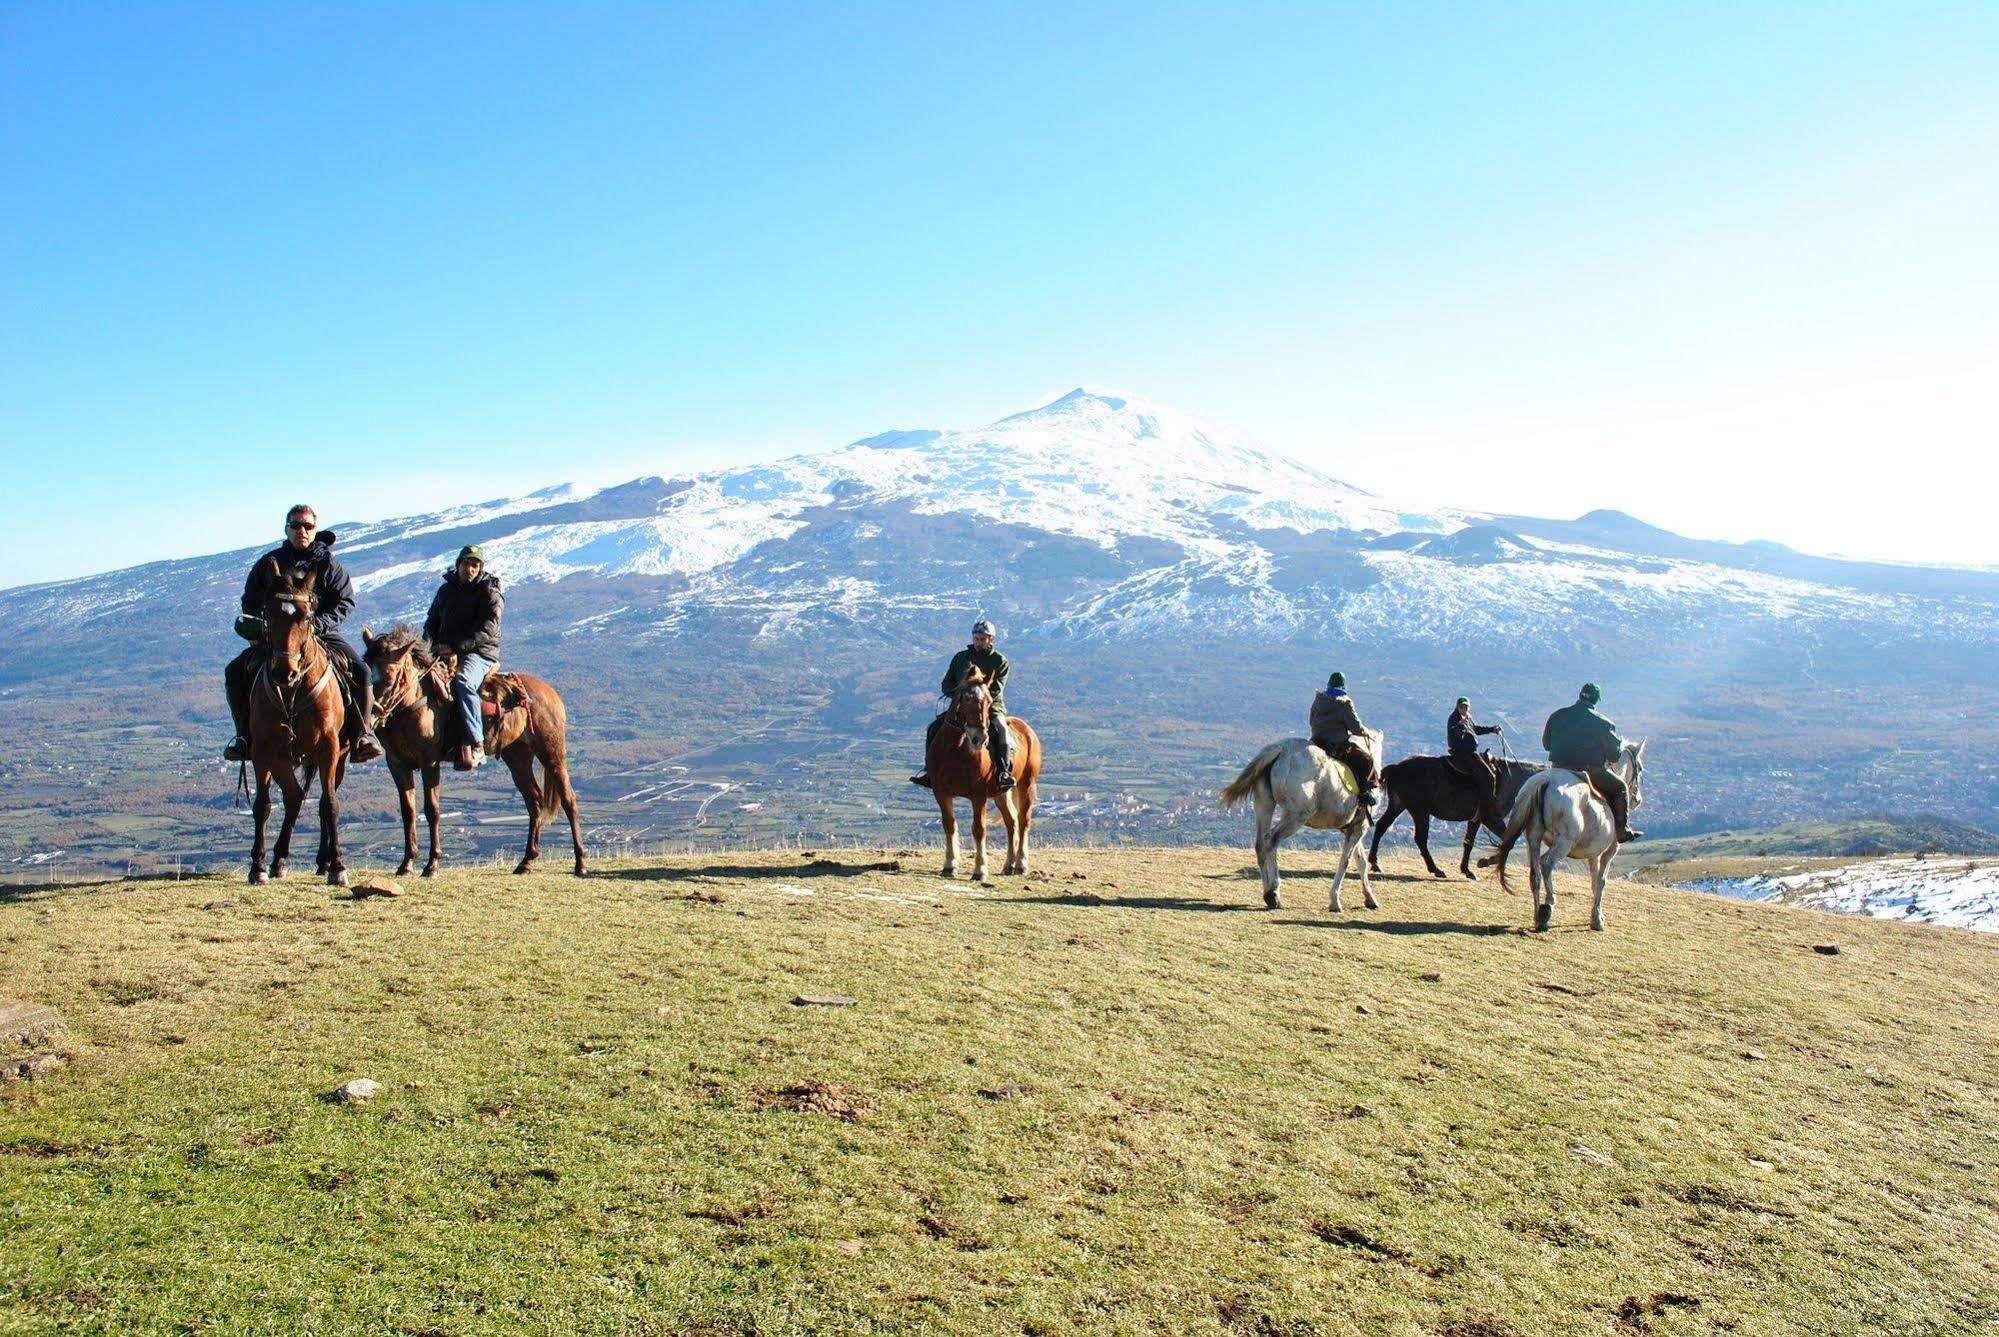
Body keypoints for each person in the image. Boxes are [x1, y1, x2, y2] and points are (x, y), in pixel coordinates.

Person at [223, 503, 381, 763]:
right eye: (296, 525)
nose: (301, 531)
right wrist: (260, 628)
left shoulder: (328, 564)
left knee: (361, 671)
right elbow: (250, 600)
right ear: (286, 529)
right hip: (276, 638)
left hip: (321, 633)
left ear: (315, 529)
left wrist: (317, 624)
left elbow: (345, 602)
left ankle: (362, 736)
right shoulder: (268, 563)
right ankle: (243, 737)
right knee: (234, 671)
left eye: (307, 526)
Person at [423, 545, 505, 771]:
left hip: (479, 653)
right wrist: (426, 646)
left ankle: (476, 742)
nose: (469, 569)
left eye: (474, 565)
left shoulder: (489, 592)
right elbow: (431, 622)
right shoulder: (445, 591)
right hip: (444, 650)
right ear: (458, 564)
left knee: (463, 682)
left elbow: (488, 630)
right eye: (466, 564)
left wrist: (456, 647)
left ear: (480, 568)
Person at [910, 618, 1013, 791]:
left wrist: (979, 698)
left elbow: (995, 689)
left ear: (991, 640)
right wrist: (960, 695)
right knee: (933, 728)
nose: (979, 642)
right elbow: (946, 684)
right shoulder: (960, 658)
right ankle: (930, 772)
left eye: (983, 639)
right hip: (961, 706)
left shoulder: (1000, 661)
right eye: (977, 638)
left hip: (990, 707)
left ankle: (1003, 772)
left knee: (1001, 729)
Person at [1542, 682, 1641, 841]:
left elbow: (1546, 744)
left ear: (1580, 695)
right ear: (1596, 700)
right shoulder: (1603, 723)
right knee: (1620, 787)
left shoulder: (1557, 715)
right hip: (1588, 771)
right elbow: (1614, 756)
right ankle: (1622, 832)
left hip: (1557, 769)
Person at [1309, 671, 1380, 807]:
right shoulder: (1344, 704)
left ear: (1328, 684)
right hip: (1336, 745)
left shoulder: (1318, 700)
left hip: (1317, 741)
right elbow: (1355, 728)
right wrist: (1366, 733)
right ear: (1343, 686)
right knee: (1366, 760)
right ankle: (1364, 793)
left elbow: (1311, 720)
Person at [1446, 696, 1502, 780]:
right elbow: (1454, 735)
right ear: (1457, 707)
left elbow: (1476, 730)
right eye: (1461, 707)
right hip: (1462, 751)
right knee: (1487, 774)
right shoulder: (1454, 718)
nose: (1464, 709)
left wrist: (1492, 729)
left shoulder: (1468, 717)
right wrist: (1460, 726)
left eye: (1466, 707)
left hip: (1470, 750)